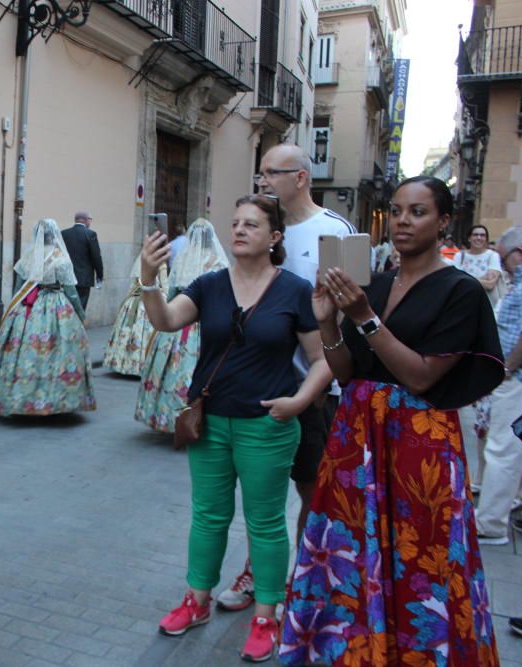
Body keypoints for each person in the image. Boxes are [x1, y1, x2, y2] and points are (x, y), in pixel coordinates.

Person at [280, 176, 504, 666]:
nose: (404, 221)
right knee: (354, 554)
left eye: (418, 212)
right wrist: (325, 322)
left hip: (417, 445)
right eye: (398, 210)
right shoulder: (377, 284)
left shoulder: (459, 290)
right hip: (357, 436)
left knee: (421, 558)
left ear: (444, 221)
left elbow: (421, 376)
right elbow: (347, 372)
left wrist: (364, 318)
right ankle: (356, 652)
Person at [143, 195, 330, 662]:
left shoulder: (293, 291)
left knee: (265, 524)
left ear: (275, 236)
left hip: (267, 424)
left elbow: (322, 360)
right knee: (208, 516)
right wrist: (148, 278)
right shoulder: (209, 285)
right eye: (235, 223)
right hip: (209, 420)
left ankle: (266, 615)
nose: (240, 230)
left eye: (252, 224)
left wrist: (300, 401)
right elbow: (165, 322)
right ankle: (197, 601)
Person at [217, 143, 350, 611]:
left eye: (273, 173)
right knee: (261, 496)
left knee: (312, 489)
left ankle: (304, 576)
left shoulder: (333, 231)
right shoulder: (254, 226)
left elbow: (357, 307)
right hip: (258, 388)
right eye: (261, 174)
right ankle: (259, 573)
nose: (264, 181)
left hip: (316, 389)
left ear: (301, 178)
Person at [0, 218, 96, 416]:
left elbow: (18, 288)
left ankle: (19, 397)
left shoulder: (28, 257)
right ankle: (55, 400)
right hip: (57, 308)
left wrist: (12, 313)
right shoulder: (61, 258)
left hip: (27, 308)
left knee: (24, 352)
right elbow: (70, 290)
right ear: (55, 236)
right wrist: (80, 313)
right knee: (58, 352)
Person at [476, 226, 522, 545]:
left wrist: (506, 369)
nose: (501, 266)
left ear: (520, 253)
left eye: (503, 258)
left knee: (504, 451)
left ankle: (490, 523)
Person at [134, 219, 228, 433]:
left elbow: (173, 296)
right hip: (208, 326)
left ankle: (169, 416)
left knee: (171, 371)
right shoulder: (219, 263)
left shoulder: (183, 260)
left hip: (180, 324)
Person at [451, 224, 503, 492]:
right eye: (476, 235)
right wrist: (475, 281)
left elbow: (491, 282)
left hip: (485, 319)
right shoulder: (459, 257)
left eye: (484, 235)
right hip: (462, 320)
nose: (480, 238)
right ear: (469, 237)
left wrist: (464, 280)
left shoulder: (492, 258)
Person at [103, 255, 166, 377]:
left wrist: (125, 302)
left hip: (134, 300)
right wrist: (166, 303)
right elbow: (164, 285)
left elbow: (133, 285)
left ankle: (126, 363)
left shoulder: (141, 260)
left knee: (130, 332)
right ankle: (144, 366)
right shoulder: (161, 263)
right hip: (151, 301)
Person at [61, 211, 104, 310]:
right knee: (80, 307)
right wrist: (99, 275)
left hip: (67, 277)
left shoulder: (64, 233)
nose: (90, 222)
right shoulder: (90, 234)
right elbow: (96, 257)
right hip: (83, 279)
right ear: (86, 220)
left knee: (67, 308)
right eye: (90, 220)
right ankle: (77, 325)